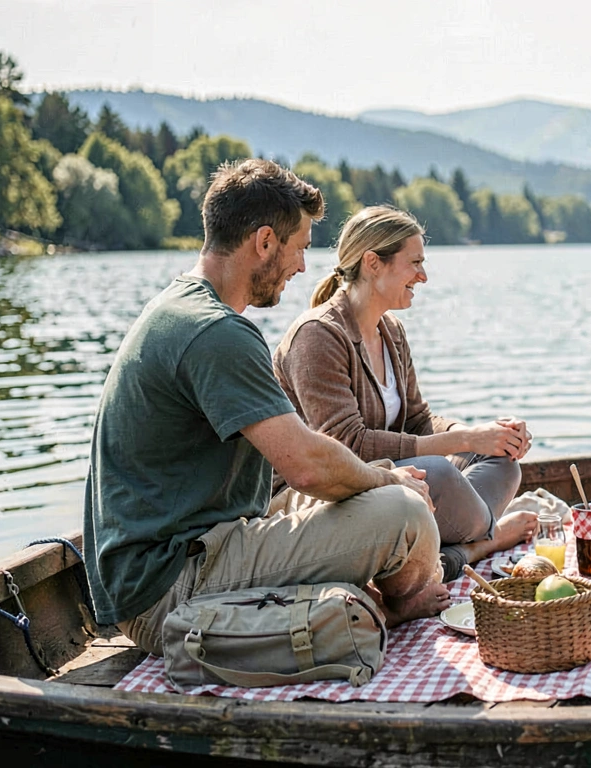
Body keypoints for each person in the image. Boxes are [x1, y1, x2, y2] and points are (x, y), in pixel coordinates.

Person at [83, 160, 446, 658]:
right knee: (404, 513)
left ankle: (379, 598)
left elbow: (305, 464)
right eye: (299, 249)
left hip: (187, 550)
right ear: (265, 242)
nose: (301, 267)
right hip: (169, 585)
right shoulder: (216, 332)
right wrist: (388, 482)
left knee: (386, 491)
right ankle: (395, 606)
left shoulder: (181, 304)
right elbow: (306, 466)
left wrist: (377, 476)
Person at [273, 205, 536, 582]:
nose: (423, 276)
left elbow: (417, 420)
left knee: (503, 463)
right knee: (439, 473)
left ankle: (443, 554)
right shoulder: (318, 336)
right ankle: (481, 545)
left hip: (394, 483)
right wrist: (462, 439)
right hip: (325, 496)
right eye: (414, 263)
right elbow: (347, 445)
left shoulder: (391, 331)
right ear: (373, 263)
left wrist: (485, 437)